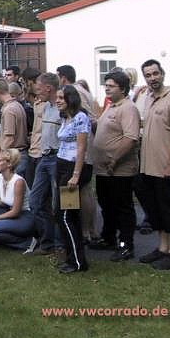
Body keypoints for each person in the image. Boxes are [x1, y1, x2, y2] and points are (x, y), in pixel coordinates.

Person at [91, 71, 140, 261]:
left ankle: (125, 244)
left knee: (122, 207)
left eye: (111, 86)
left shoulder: (128, 108)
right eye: (106, 86)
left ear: (123, 88)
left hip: (119, 170)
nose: (107, 89)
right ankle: (108, 237)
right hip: (104, 170)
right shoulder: (111, 106)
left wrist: (114, 159)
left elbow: (130, 138)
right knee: (107, 204)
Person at [136, 59, 170, 270]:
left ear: (162, 73)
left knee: (169, 209)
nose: (152, 78)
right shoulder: (148, 98)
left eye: (155, 74)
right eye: (148, 75)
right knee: (156, 210)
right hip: (147, 166)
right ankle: (162, 248)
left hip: (164, 167)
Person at [55, 85, 92, 273]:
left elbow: (81, 148)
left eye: (61, 97)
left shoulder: (80, 117)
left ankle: (77, 261)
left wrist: (75, 175)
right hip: (61, 164)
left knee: (65, 215)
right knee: (65, 214)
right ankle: (71, 257)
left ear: (70, 98)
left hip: (72, 167)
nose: (58, 100)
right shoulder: (65, 118)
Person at [27, 73, 63, 256]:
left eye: (39, 89)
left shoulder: (61, 107)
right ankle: (46, 242)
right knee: (35, 200)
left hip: (57, 158)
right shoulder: (46, 107)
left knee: (58, 202)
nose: (36, 93)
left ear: (49, 88)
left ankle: (59, 244)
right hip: (44, 156)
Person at [0, 149, 34, 250]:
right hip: (9, 210)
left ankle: (26, 242)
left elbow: (16, 211)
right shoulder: (0, 177)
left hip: (24, 216)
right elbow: (7, 203)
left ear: (9, 164)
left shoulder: (18, 182)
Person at [0, 78, 28, 176]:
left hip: (13, 156)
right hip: (19, 154)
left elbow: (9, 138)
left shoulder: (9, 110)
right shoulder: (18, 105)